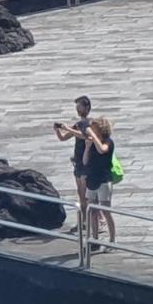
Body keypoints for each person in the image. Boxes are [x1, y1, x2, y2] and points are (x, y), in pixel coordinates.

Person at [54, 96, 96, 235]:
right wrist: (58, 130)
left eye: (80, 107)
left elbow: (85, 136)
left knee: (85, 194)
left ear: (87, 108)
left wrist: (68, 129)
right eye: (77, 108)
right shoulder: (78, 125)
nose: (78, 110)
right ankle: (83, 220)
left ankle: (89, 221)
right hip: (78, 163)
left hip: (86, 163)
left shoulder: (90, 124)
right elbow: (63, 138)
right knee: (80, 193)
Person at [83, 117, 116, 251]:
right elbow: (85, 161)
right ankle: (94, 239)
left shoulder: (108, 142)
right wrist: (87, 147)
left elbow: (102, 149)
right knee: (93, 211)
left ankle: (112, 240)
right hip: (92, 179)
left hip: (104, 179)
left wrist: (93, 137)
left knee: (106, 211)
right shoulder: (92, 143)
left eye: (94, 128)